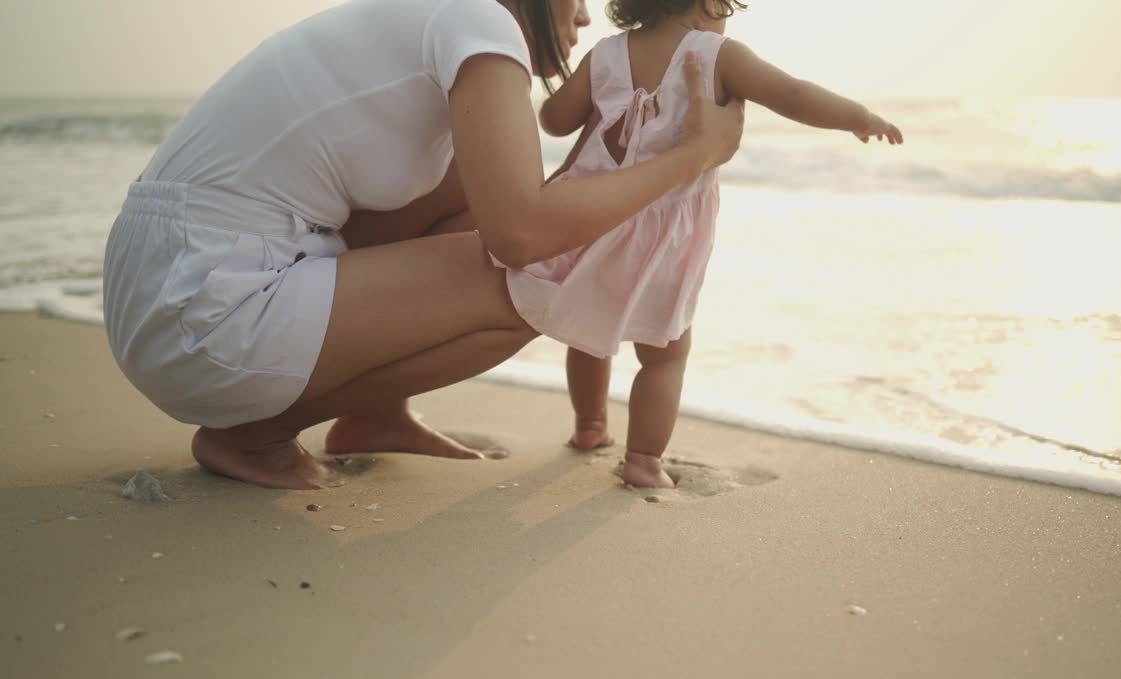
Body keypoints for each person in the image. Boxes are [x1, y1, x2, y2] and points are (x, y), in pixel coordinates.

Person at [101, 0, 746, 490]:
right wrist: (692, 157)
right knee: (548, 280)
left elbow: (502, 203)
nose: (583, 15)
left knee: (479, 194)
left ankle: (379, 414)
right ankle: (253, 433)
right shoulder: (483, 23)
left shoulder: (437, 15)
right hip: (207, 311)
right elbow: (526, 237)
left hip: (167, 279)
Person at [504, 0, 903, 488]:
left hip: (594, 214)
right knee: (666, 353)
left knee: (591, 327)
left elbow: (555, 119)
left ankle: (590, 427)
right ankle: (643, 460)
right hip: (664, 234)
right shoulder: (719, 55)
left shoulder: (605, 55)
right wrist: (859, 117)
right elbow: (794, 95)